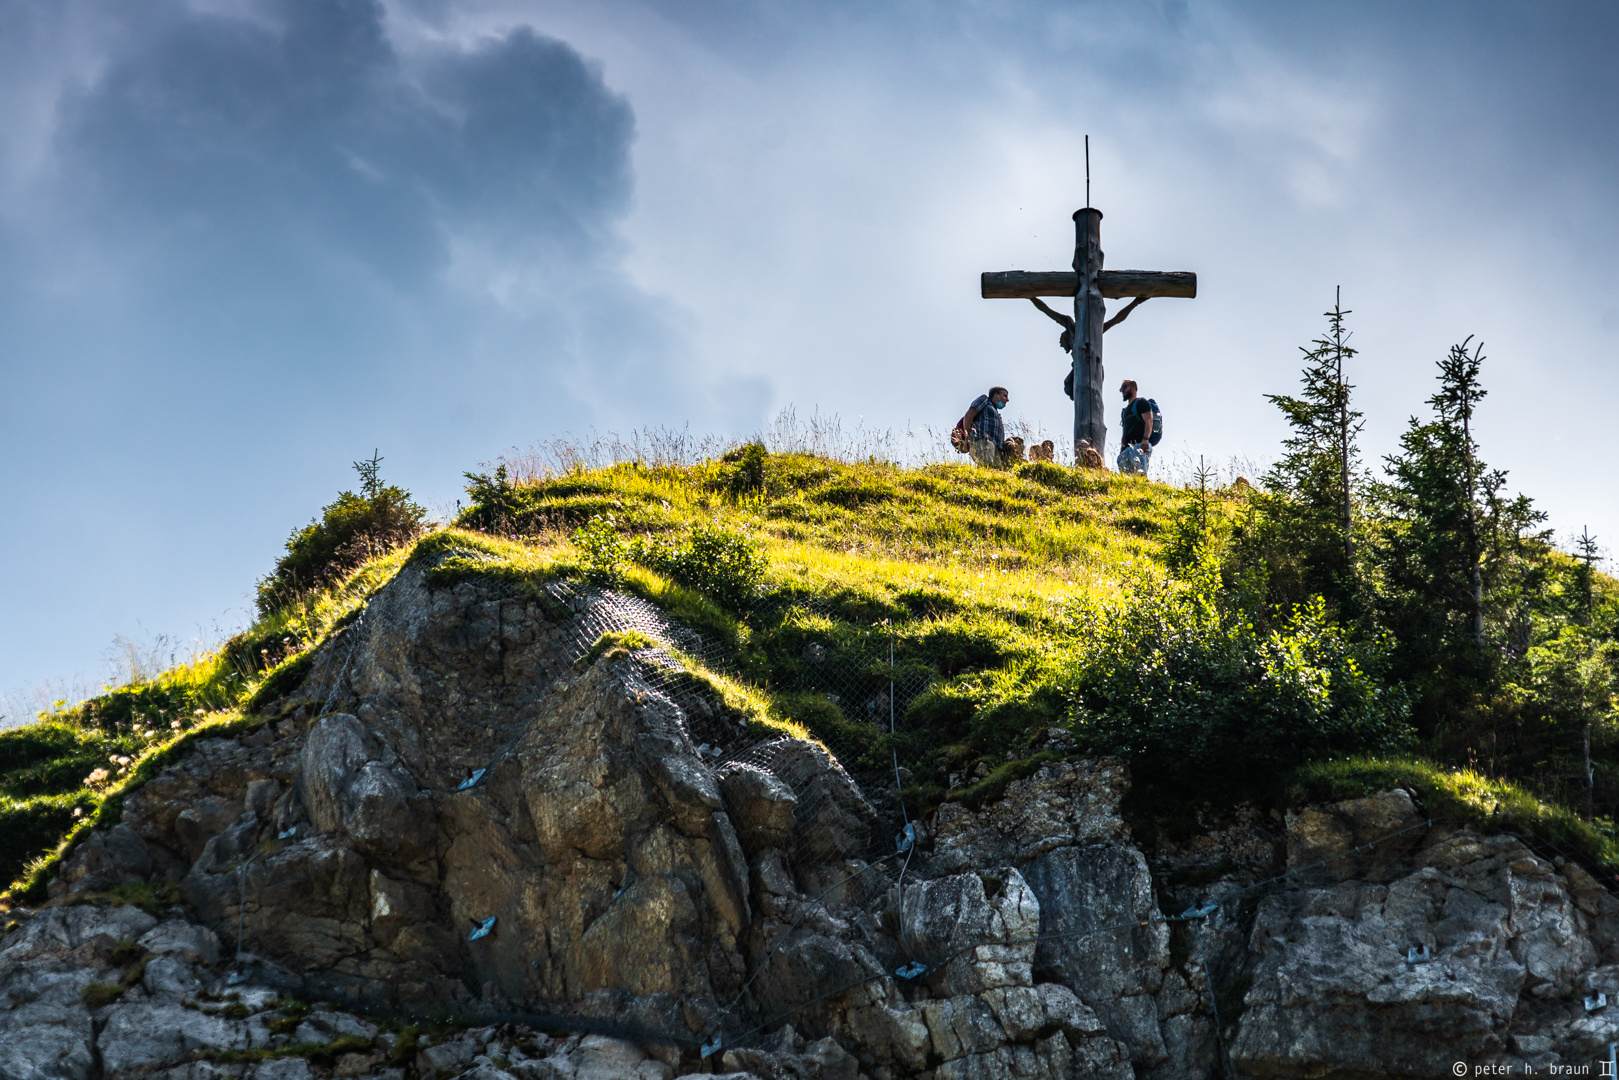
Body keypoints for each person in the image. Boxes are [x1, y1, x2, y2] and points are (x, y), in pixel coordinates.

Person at [961, 386, 1010, 466]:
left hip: (996, 448)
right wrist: (967, 439)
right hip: (983, 442)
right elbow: (969, 416)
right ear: (996, 395)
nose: (1007, 400)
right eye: (1005, 396)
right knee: (986, 465)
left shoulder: (996, 413)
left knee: (995, 473)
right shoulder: (985, 400)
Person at [1117, 379, 1153, 475]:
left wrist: (1145, 439)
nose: (1122, 391)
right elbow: (1125, 430)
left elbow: (1149, 421)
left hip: (1139, 446)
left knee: (1140, 476)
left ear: (1133, 388)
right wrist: (1122, 448)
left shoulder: (1141, 402)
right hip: (1126, 450)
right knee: (1126, 479)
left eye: (1124, 387)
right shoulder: (1125, 411)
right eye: (1121, 389)